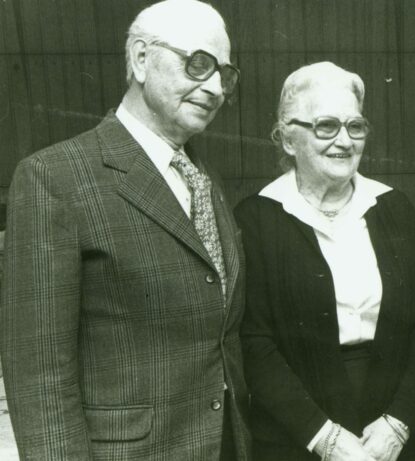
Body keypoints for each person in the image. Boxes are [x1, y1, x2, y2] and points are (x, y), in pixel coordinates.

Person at [0, 1, 251, 459]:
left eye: (225, 74)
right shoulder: (53, 177)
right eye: (198, 64)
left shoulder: (206, 179)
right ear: (140, 59)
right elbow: (39, 376)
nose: (216, 88)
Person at [234, 61, 415, 461]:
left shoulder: (392, 207)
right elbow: (253, 342)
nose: (344, 141)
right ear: (288, 139)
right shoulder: (256, 218)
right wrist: (325, 439)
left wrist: (399, 423)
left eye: (355, 126)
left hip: (389, 434)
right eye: (326, 126)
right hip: (297, 436)